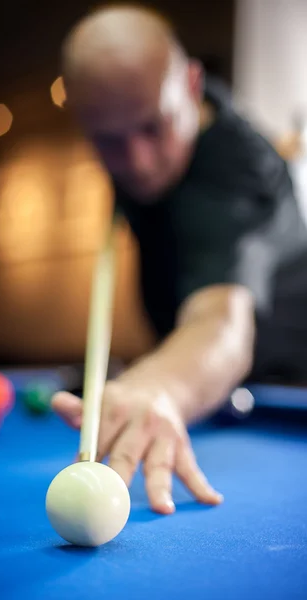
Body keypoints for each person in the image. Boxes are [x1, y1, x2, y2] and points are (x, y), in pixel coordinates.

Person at [52, 4, 307, 514]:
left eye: (153, 127)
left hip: (282, 388)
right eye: (109, 140)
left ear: (192, 85)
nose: (137, 162)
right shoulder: (134, 127)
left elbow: (224, 325)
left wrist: (158, 385)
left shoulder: (240, 171)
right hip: (203, 389)